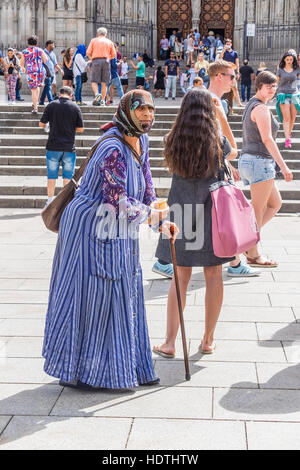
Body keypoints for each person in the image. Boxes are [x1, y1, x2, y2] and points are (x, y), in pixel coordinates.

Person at [42, 89, 178, 390]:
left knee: (121, 289)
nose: (147, 116)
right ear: (127, 111)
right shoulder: (113, 148)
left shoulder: (139, 140)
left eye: (151, 110)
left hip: (116, 227)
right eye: (141, 110)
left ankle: (119, 367)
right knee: (94, 296)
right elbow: (115, 201)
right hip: (88, 228)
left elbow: (146, 187)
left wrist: (161, 219)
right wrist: (151, 216)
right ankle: (86, 373)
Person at [153, 89, 237, 358]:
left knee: (180, 277)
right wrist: (221, 116)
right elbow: (233, 150)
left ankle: (169, 341)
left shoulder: (172, 140)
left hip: (181, 212)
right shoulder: (217, 143)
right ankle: (208, 339)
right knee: (213, 275)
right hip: (212, 213)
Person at [208, 59, 260, 277]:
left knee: (220, 215)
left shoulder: (212, 99)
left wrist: (227, 163)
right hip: (212, 170)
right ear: (219, 76)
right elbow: (228, 144)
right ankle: (235, 262)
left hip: (217, 165)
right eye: (232, 76)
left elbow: (214, 140)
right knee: (226, 214)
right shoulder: (212, 102)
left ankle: (234, 261)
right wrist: (229, 157)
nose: (235, 81)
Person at [239, 71, 294, 268]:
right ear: (259, 86)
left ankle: (246, 240)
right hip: (259, 161)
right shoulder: (260, 108)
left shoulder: (251, 105)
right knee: (258, 210)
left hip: (251, 160)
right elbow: (267, 139)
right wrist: (284, 166)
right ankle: (253, 254)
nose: (272, 90)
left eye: (274, 87)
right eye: (268, 86)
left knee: (275, 204)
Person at [39, 86, 84, 207]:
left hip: (53, 146)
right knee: (68, 177)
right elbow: (80, 129)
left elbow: (41, 124)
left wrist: (50, 126)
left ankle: (49, 201)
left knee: (51, 175)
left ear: (59, 94)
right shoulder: (75, 107)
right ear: (71, 95)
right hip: (69, 147)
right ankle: (66, 202)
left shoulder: (51, 105)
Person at [86, 27, 116, 106]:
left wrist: (92, 59)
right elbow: (114, 54)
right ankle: (102, 100)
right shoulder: (109, 42)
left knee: (94, 81)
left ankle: (97, 94)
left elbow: (88, 52)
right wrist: (108, 58)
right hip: (106, 61)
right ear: (105, 34)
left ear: (97, 34)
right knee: (104, 82)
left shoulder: (93, 40)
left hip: (96, 60)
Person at [276, 51, 300, 148]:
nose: (289, 61)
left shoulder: (297, 69)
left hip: (294, 94)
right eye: (287, 59)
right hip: (283, 94)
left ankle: (288, 133)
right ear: (284, 60)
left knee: (293, 118)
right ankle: (287, 139)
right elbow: (276, 82)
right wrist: (271, 95)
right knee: (287, 118)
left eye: (291, 59)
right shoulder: (280, 70)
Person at [20, 35, 48, 113]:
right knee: (37, 87)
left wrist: (23, 68)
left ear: (28, 42)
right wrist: (39, 63)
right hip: (41, 71)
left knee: (33, 90)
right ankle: (36, 103)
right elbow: (46, 59)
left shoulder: (25, 51)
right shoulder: (39, 50)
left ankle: (35, 108)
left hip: (31, 71)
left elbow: (21, 63)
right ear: (36, 43)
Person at [219, 38, 243, 109]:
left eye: (229, 44)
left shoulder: (235, 53)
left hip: (232, 71)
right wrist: (224, 49)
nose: (228, 45)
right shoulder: (224, 52)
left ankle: (239, 103)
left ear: (231, 44)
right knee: (222, 87)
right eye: (227, 44)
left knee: (235, 88)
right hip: (225, 71)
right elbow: (220, 57)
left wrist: (238, 72)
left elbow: (237, 63)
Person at [40, 40, 62, 106]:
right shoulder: (42, 53)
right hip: (46, 73)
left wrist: (61, 70)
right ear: (48, 45)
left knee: (46, 87)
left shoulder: (53, 53)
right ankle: (51, 102)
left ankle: (41, 101)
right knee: (49, 87)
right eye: (52, 45)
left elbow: (55, 64)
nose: (54, 46)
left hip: (52, 73)